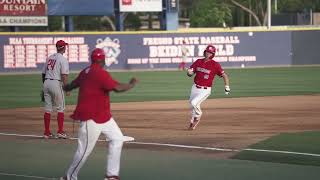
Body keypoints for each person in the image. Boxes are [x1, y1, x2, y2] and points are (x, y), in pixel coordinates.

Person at [60, 48, 138, 180]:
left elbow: (72, 85)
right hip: (91, 118)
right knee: (84, 151)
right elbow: (117, 88)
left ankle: (111, 175)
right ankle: (69, 177)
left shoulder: (86, 71)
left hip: (104, 117)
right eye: (104, 58)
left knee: (117, 139)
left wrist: (64, 87)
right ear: (102, 59)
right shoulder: (100, 73)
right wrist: (131, 84)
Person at [186, 44, 230, 130]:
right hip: (195, 87)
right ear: (204, 52)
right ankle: (192, 122)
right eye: (207, 52)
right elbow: (190, 72)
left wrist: (227, 87)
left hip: (205, 90)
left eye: (210, 53)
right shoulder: (198, 61)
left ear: (213, 54)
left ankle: (198, 116)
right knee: (192, 105)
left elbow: (225, 75)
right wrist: (189, 72)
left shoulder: (215, 65)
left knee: (194, 103)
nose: (208, 54)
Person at [42, 40, 69, 139]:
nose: (66, 47)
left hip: (46, 82)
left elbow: (43, 73)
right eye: (65, 46)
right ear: (63, 48)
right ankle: (60, 131)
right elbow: (64, 75)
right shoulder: (63, 59)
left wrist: (44, 86)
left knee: (48, 109)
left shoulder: (49, 58)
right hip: (56, 83)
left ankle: (47, 132)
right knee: (60, 108)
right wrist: (67, 88)